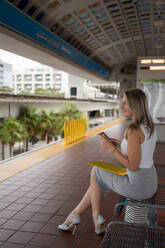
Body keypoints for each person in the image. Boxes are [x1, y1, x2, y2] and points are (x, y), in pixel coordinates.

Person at [58, 88, 157, 235]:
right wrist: (118, 144)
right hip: (149, 182)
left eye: (126, 103)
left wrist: (111, 149)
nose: (122, 106)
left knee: (97, 171)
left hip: (138, 186)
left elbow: (133, 166)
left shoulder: (134, 130)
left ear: (135, 105)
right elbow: (139, 151)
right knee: (97, 180)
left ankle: (94, 217)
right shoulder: (148, 126)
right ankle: (76, 215)